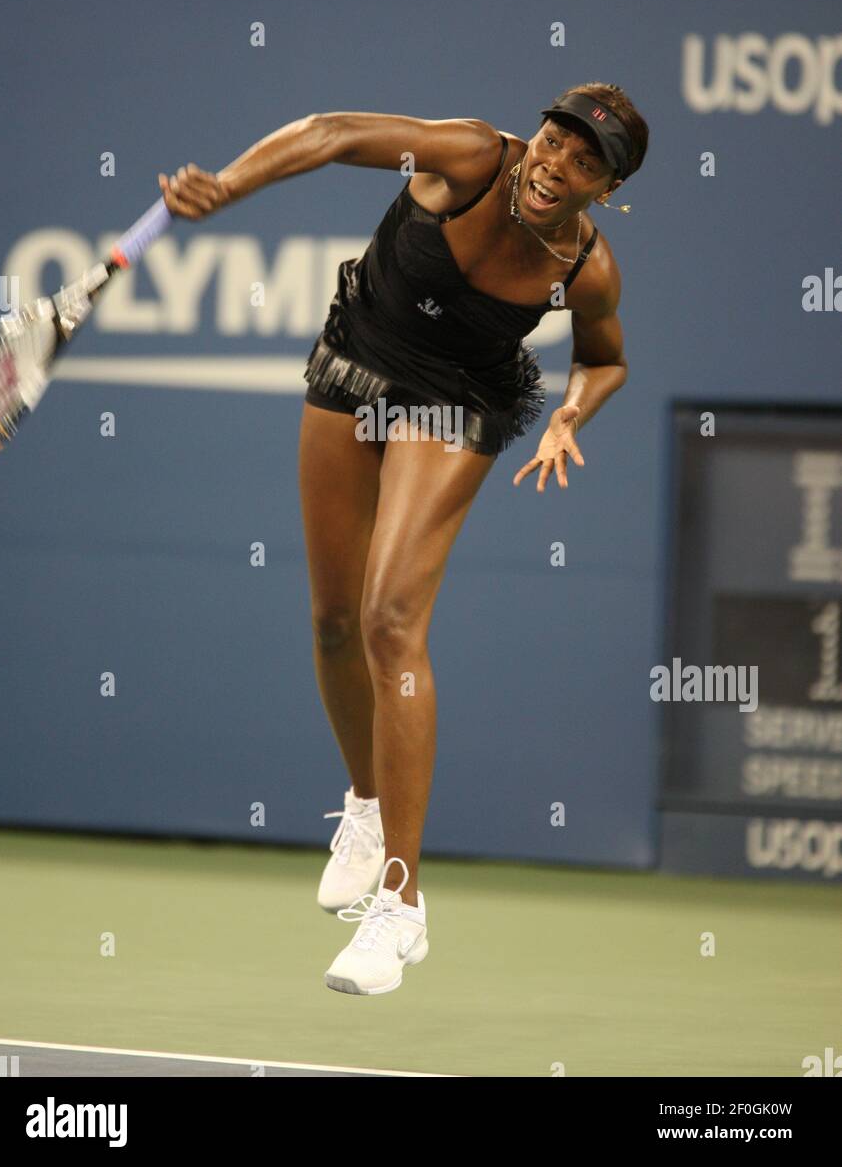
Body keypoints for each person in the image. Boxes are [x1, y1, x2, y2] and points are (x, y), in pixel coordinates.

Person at [158, 87, 648, 995]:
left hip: (459, 399)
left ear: (608, 188)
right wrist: (225, 187)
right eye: (552, 141)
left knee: (390, 621)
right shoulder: (469, 155)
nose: (555, 165)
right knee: (335, 620)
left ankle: (401, 908)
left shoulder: (587, 268)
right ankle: (365, 807)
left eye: (586, 163)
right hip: (356, 354)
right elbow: (330, 131)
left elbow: (606, 355)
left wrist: (571, 414)